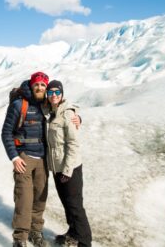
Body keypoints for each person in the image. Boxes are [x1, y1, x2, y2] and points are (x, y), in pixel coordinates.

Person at [2, 72, 81, 247]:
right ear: (31, 85)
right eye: (36, 85)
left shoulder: (46, 105)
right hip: (24, 158)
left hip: (43, 160)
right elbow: (6, 133)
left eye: (43, 86)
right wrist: (14, 157)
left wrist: (77, 116)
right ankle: (20, 238)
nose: (39, 88)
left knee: (40, 198)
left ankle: (36, 232)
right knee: (24, 199)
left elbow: (64, 109)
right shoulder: (18, 105)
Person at [43, 80, 92, 247]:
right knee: (67, 204)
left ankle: (85, 242)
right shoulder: (51, 112)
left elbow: (73, 144)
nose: (54, 95)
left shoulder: (68, 114)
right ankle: (73, 233)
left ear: (62, 94)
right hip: (57, 168)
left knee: (75, 206)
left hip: (69, 168)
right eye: (50, 93)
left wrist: (67, 170)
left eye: (57, 92)